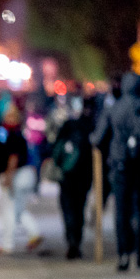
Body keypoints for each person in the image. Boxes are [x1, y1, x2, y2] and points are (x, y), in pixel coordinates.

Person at [91, 72, 140, 270]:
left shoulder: (114, 108)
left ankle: (123, 253)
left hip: (121, 165)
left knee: (122, 210)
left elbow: (98, 138)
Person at [53, 97, 96, 259]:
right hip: (83, 176)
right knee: (79, 209)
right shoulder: (91, 127)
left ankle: (71, 239)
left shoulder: (69, 125)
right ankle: (75, 240)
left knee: (68, 208)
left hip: (68, 175)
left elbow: (56, 146)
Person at [0, 105, 42, 254]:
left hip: (18, 176)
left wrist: (8, 178)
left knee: (9, 211)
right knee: (19, 210)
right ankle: (34, 233)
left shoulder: (12, 136)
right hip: (27, 175)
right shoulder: (20, 134)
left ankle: (7, 244)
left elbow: (13, 159)